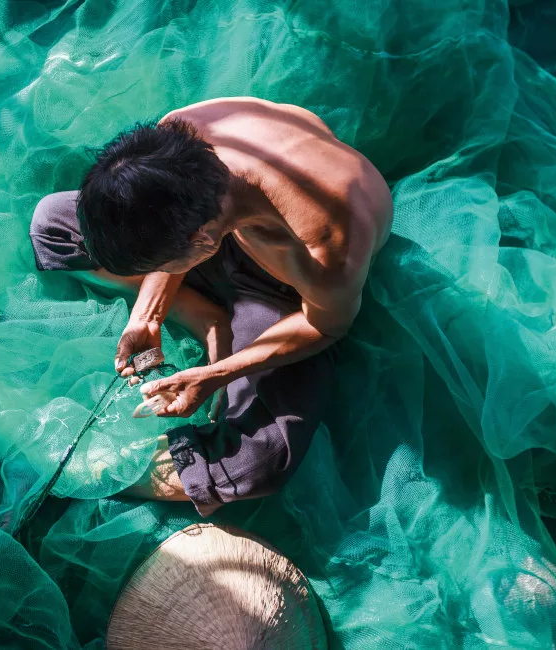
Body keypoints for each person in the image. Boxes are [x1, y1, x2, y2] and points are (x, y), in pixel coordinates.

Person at [29, 96, 393, 516]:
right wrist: (148, 315)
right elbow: (174, 228)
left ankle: (80, 474)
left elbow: (325, 326)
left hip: (287, 294)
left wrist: (215, 375)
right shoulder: (176, 135)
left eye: (158, 268)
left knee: (260, 459)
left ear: (200, 244)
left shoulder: (327, 239)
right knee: (50, 224)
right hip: (223, 233)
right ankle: (206, 317)